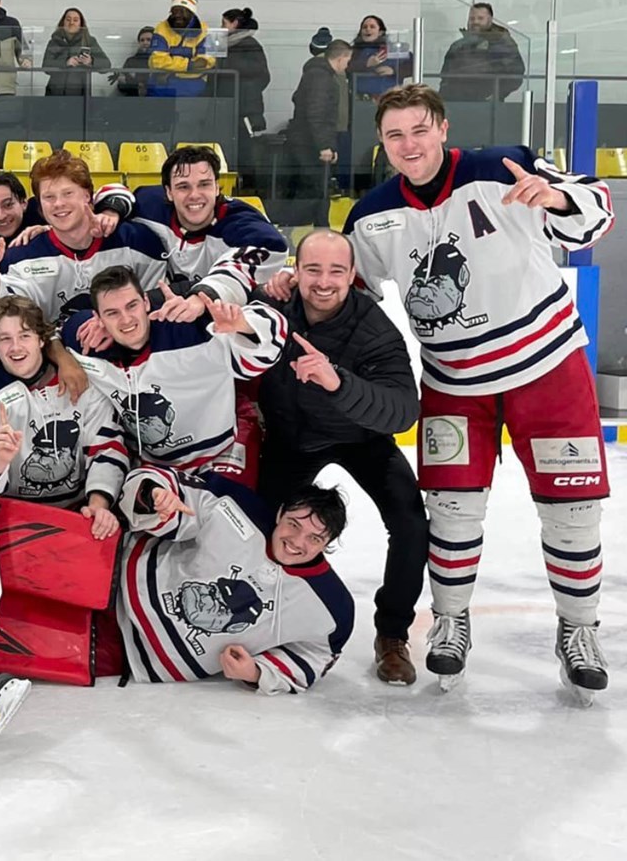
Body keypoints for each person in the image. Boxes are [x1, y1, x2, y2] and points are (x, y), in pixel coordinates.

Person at [343, 84, 617, 702]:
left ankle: (578, 630)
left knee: (572, 511)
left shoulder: (503, 167)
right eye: (394, 136)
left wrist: (552, 196)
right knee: (451, 511)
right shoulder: (373, 214)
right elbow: (349, 291)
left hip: (546, 365)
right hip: (453, 378)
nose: (408, 145)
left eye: (418, 130)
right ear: (383, 145)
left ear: (442, 128)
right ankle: (450, 620)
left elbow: (595, 207)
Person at [256, 231, 426, 686]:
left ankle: (392, 635)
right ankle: (265, 617)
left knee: (411, 523)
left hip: (360, 439)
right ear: (295, 271)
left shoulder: (374, 328)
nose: (324, 282)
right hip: (290, 440)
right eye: (313, 270)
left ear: (353, 276)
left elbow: (403, 411)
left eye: (336, 271)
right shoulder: (273, 309)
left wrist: (339, 383)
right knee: (253, 524)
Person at [108, 466, 355, 694]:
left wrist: (257, 673)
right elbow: (169, 486)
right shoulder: (235, 505)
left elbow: (314, 656)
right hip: (113, 587)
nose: (297, 542)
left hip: (132, 661)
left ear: (328, 544)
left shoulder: (333, 607)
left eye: (314, 539)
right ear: (280, 513)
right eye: (293, 524)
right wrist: (156, 496)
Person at [61, 266, 288, 487]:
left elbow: (273, 333)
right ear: (97, 318)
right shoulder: (87, 341)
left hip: (219, 453)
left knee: (226, 513)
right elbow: (45, 333)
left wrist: (242, 324)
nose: (126, 319)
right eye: (112, 313)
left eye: (132, 306)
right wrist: (63, 358)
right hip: (151, 465)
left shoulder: (194, 329)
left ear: (147, 303)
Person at [0, 297, 125, 519]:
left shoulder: (80, 382)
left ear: (42, 340)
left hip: (80, 514)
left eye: (24, 336)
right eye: (5, 339)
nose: (15, 347)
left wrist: (98, 505)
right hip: (11, 520)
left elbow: (105, 447)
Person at [0, 151, 171, 324]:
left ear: (88, 196)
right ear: (39, 204)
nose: (58, 204)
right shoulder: (20, 256)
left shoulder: (136, 241)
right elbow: (3, 319)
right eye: (49, 197)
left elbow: (154, 306)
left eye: (68, 193)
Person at [108, 145, 292, 304]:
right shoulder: (150, 204)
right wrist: (111, 210)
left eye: (204, 184)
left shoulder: (242, 224)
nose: (194, 195)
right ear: (169, 192)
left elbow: (275, 246)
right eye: (183, 186)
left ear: (217, 187)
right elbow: (115, 193)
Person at [286, 39, 353, 225]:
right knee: (314, 190)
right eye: (348, 61)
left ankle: (322, 229)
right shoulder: (321, 78)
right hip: (310, 144)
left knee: (317, 190)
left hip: (307, 141)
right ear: (340, 58)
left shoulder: (316, 74)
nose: (347, 66)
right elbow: (318, 113)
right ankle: (292, 229)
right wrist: (325, 145)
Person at [439, 3, 525, 102]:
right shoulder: (459, 45)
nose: (475, 22)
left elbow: (515, 73)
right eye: (472, 18)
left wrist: (496, 95)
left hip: (487, 105)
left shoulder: (502, 43)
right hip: (456, 103)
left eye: (480, 18)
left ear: (490, 20)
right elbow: (445, 76)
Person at [148, 0, 214, 97]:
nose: (177, 15)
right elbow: (158, 61)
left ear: (191, 12)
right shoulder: (162, 28)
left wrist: (170, 71)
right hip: (161, 86)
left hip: (192, 89)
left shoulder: (204, 30)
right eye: (174, 11)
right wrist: (189, 65)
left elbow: (206, 63)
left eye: (182, 11)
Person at [219, 8, 270, 134]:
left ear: (235, 23)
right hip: (236, 103)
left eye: (224, 23)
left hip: (245, 107)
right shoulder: (228, 45)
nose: (221, 27)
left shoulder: (248, 45)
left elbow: (262, 73)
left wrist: (227, 64)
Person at [42, 8, 109, 97]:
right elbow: (46, 66)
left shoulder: (89, 41)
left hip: (80, 96)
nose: (71, 23)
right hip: (54, 94)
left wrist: (91, 61)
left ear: (81, 24)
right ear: (63, 23)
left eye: (75, 20)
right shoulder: (54, 41)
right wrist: (65, 63)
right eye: (68, 19)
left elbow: (107, 65)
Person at [349, 15, 411, 99]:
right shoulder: (355, 50)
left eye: (372, 27)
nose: (368, 29)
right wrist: (366, 63)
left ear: (380, 32)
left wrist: (394, 70)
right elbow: (346, 67)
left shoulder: (393, 48)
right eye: (364, 27)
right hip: (361, 98)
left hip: (390, 97)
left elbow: (414, 65)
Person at [0, 172, 47, 244]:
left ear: (23, 203)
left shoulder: (44, 218)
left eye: (8, 205)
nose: (1, 216)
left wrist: (50, 232)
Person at [111, 26, 155, 97]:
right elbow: (122, 86)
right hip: (133, 100)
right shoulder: (131, 61)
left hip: (157, 100)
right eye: (142, 40)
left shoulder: (162, 61)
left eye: (149, 39)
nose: (145, 42)